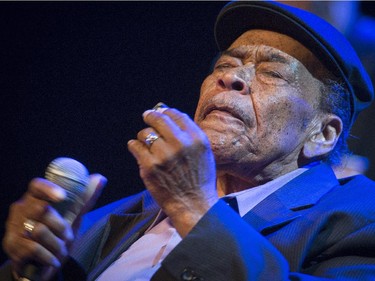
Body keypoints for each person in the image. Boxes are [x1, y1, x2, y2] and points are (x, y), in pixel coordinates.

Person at [1, 1, 375, 280]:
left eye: (273, 73)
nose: (231, 78)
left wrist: (193, 208)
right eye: (225, 65)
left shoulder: (359, 217)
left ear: (322, 134)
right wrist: (29, 267)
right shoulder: (126, 212)